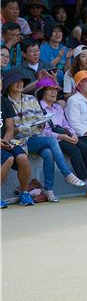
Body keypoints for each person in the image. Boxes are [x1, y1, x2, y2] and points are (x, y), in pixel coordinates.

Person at [4, 69, 85, 202]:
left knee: (48, 153)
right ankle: (67, 173)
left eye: (21, 81)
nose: (19, 84)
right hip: (17, 142)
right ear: (8, 84)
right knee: (51, 141)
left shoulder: (30, 98)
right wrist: (30, 127)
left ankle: (49, 190)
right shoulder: (6, 102)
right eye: (15, 82)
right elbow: (13, 130)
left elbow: (40, 121)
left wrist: (35, 126)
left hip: (35, 137)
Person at [35, 77, 87, 195]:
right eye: (50, 90)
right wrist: (60, 136)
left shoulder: (57, 107)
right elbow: (41, 131)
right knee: (74, 150)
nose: (54, 92)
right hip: (53, 140)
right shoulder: (37, 108)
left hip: (65, 136)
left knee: (85, 147)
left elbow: (65, 123)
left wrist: (73, 134)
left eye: (55, 90)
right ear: (42, 92)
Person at [0, 74, 34, 207]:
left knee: (22, 157)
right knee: (8, 159)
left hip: (5, 140)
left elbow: (10, 128)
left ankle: (24, 192)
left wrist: (5, 141)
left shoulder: (5, 102)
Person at [39, 21, 71, 86]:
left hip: (64, 84)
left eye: (60, 31)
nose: (57, 34)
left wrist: (68, 59)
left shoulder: (65, 49)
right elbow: (45, 70)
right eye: (54, 31)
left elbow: (67, 72)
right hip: (48, 84)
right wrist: (58, 58)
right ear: (49, 33)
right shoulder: (42, 49)